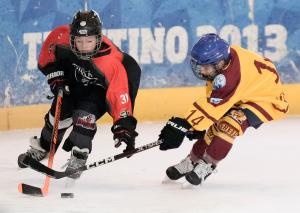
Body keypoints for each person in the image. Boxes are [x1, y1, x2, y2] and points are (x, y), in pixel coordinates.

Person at [17, 10, 141, 179]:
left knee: (84, 117)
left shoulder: (111, 62)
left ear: (98, 38)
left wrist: (123, 126)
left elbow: (119, 95)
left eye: (89, 41)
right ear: (72, 35)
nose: (84, 46)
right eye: (79, 41)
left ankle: (79, 156)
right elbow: (47, 56)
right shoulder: (60, 36)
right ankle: (43, 147)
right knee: (57, 117)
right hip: (73, 83)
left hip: (98, 92)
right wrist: (55, 75)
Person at [158, 33, 289, 186]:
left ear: (219, 63)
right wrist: (198, 125)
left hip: (266, 100)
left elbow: (213, 106)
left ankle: (208, 165)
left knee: (229, 125)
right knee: (215, 126)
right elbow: (213, 101)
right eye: (200, 66)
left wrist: (186, 125)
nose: (202, 71)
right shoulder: (224, 62)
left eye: (205, 67)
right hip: (246, 92)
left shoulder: (229, 77)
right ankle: (192, 161)